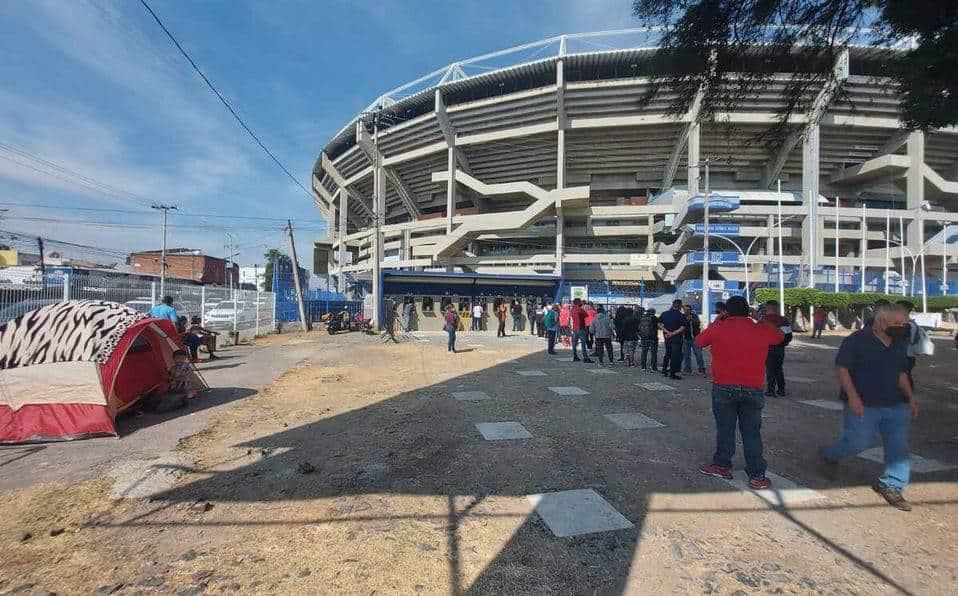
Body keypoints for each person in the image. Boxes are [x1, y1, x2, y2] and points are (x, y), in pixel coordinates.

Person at [820, 303, 918, 511]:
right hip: (865, 404)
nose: (901, 326)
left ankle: (892, 484)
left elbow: (902, 372)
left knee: (898, 446)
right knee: (857, 443)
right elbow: (842, 368)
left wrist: (910, 397)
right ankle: (830, 454)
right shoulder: (856, 341)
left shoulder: (900, 341)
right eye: (896, 323)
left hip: (896, 404)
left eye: (904, 323)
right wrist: (853, 397)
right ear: (880, 321)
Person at [696, 296, 784, 489]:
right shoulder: (760, 329)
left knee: (725, 429)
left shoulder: (719, 327)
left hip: (723, 386)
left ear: (726, 311)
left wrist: (716, 321)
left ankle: (722, 465)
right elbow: (779, 337)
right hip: (753, 387)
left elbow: (700, 341)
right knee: (752, 432)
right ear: (748, 311)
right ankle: (757, 475)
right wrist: (759, 319)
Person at [761, 300, 792, 397]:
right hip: (780, 348)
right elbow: (788, 335)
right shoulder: (784, 320)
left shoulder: (763, 319)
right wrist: (783, 343)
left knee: (770, 369)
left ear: (767, 308)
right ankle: (781, 389)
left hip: (767, 347)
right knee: (778, 368)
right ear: (777, 308)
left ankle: (770, 390)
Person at [659, 299, 686, 379]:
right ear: (680, 306)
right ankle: (672, 373)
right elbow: (682, 327)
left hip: (667, 337)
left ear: (672, 305)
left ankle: (664, 370)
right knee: (675, 356)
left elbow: (660, 324)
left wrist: (667, 332)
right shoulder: (681, 315)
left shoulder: (665, 314)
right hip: (677, 338)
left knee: (667, 354)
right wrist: (672, 333)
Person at [682, 305, 708, 375]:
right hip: (685, 338)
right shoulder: (682, 316)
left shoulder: (694, 316)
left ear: (690, 310)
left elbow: (698, 323)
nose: (686, 311)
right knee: (686, 355)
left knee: (698, 354)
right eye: (685, 310)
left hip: (695, 338)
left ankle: (701, 369)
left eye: (688, 310)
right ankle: (687, 369)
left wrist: (692, 320)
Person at [570, 298, 594, 363]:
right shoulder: (579, 309)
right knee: (583, 343)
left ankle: (575, 356)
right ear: (578, 303)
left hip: (575, 328)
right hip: (581, 327)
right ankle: (585, 357)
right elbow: (586, 315)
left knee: (574, 343)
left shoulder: (572, 309)